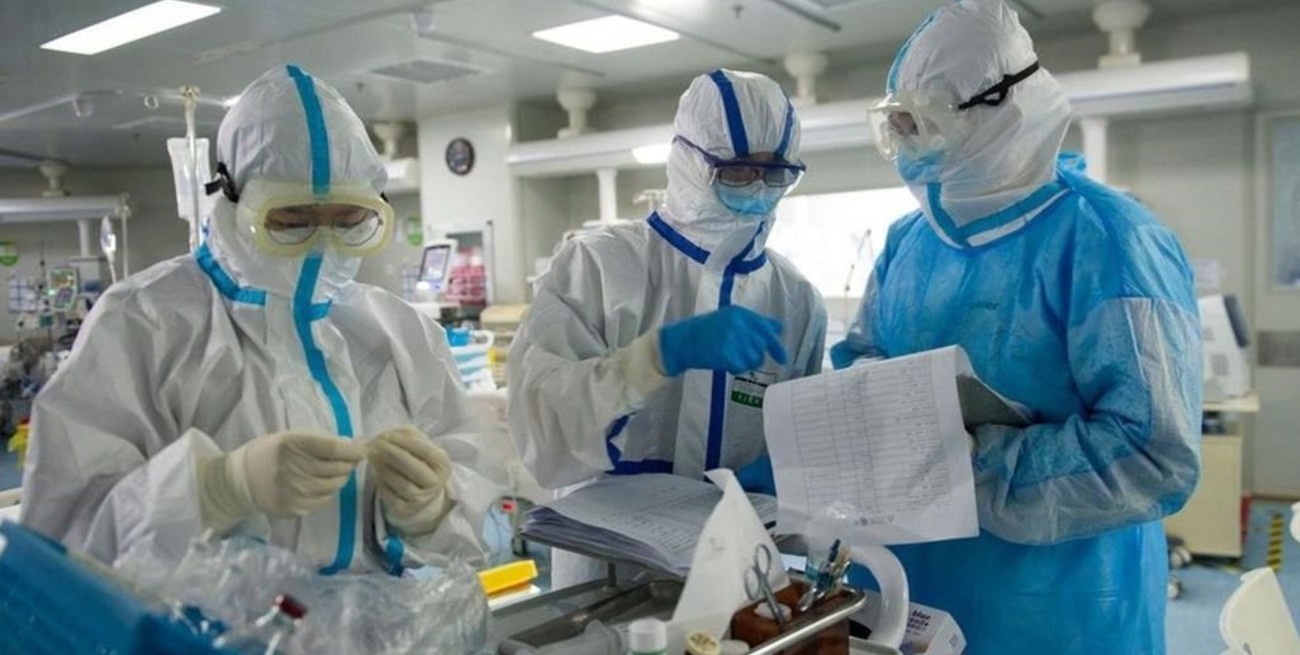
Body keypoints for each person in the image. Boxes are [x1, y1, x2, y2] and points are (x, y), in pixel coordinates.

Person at [21, 66, 503, 574]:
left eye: (349, 220)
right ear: (233, 202)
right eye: (291, 220)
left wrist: (433, 510)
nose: (322, 244)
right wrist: (216, 488)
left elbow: (479, 516)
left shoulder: (402, 333)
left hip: (388, 622)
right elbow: (61, 538)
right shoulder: (143, 323)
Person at [832, 1, 1202, 653]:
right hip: (904, 587)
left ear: (1000, 110)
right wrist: (865, 398)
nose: (910, 144)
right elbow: (863, 353)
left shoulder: (1112, 241)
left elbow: (1153, 454)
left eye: (925, 122)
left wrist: (971, 467)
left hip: (1057, 609)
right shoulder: (907, 242)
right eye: (899, 124)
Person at [508, 69, 826, 580]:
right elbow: (541, 424)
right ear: (689, 160)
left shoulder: (796, 299)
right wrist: (653, 359)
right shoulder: (599, 265)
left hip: (736, 563)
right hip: (606, 568)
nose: (759, 189)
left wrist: (787, 474)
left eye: (776, 173)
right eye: (737, 171)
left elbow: (804, 437)